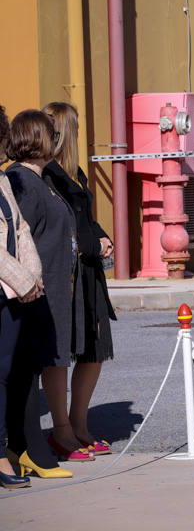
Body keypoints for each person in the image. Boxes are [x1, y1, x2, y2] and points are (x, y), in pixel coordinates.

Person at [4, 110, 90, 465]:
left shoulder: (44, 180)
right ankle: (23, 447)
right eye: (51, 134)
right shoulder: (21, 179)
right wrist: (27, 282)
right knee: (24, 372)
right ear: (38, 138)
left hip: (51, 287)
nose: (57, 139)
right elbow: (16, 237)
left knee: (37, 367)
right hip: (31, 292)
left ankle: (30, 446)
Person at [41, 103, 117, 456]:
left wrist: (104, 237)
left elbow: (86, 218)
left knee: (93, 351)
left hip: (89, 273)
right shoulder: (47, 175)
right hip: (66, 275)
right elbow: (62, 228)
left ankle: (80, 424)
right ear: (69, 131)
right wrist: (92, 243)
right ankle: (62, 430)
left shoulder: (74, 173)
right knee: (59, 354)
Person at [0, 106, 43, 489]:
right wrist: (22, 280)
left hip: (9, 292)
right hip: (7, 286)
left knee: (5, 373)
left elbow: (21, 230)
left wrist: (33, 277)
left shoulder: (1, 182)